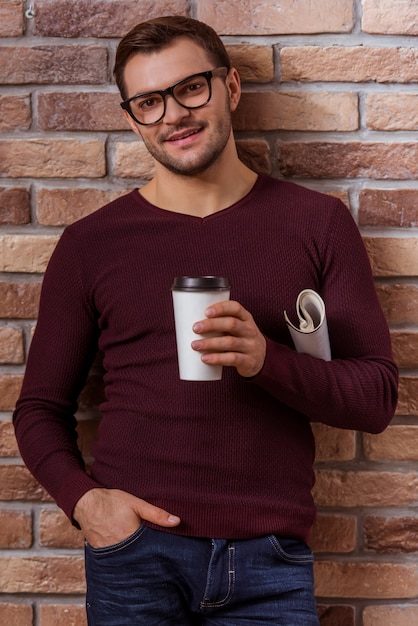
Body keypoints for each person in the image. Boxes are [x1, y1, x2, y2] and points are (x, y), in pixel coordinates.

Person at [13, 15, 398, 626]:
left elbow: (375, 398)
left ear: (231, 87)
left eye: (191, 88)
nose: (173, 115)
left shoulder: (317, 225)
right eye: (149, 102)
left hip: (269, 560)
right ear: (130, 117)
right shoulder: (90, 244)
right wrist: (88, 504)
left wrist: (266, 359)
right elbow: (37, 410)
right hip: (134, 555)